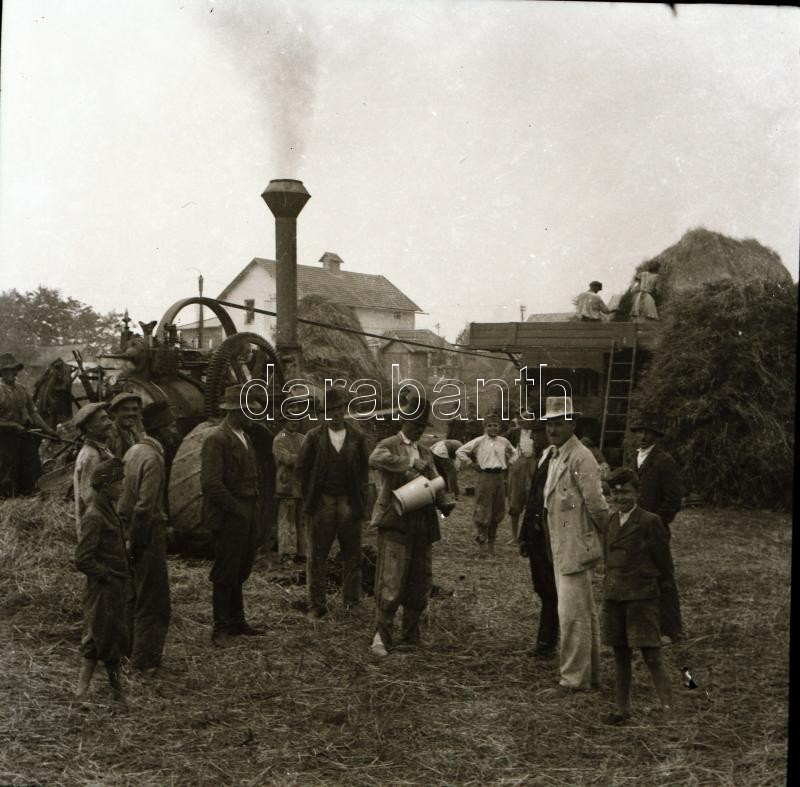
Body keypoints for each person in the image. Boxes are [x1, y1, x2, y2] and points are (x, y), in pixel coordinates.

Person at [369, 397, 454, 656]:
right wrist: (408, 464)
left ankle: (410, 634)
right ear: (404, 421)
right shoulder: (389, 445)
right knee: (391, 579)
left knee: (419, 579)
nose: (418, 430)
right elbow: (375, 458)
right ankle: (382, 636)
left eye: (422, 426)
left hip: (422, 523)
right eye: (415, 424)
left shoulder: (426, 452)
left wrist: (443, 501)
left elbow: (435, 480)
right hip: (395, 519)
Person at [542, 396, 609, 694]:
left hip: (576, 545)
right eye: (549, 424)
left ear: (573, 424)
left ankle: (573, 679)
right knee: (582, 611)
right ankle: (589, 674)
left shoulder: (581, 457)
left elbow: (596, 504)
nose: (552, 430)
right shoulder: (555, 455)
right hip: (561, 544)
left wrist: (608, 537)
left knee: (572, 615)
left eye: (559, 423)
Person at [602, 467, 674, 724]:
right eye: (615, 493)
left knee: (651, 655)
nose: (620, 498)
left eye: (625, 492)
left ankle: (668, 709)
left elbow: (664, 564)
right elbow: (608, 560)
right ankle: (622, 709)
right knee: (620, 654)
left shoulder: (649, 521)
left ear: (638, 493)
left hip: (642, 599)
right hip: (615, 598)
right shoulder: (610, 521)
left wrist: (661, 600)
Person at [295, 387, 370, 618]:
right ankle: (316, 604)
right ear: (324, 413)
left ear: (344, 410)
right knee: (317, 556)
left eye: (339, 409)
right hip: (322, 503)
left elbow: (364, 473)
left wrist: (360, 502)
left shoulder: (357, 437)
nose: (335, 414)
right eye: (330, 410)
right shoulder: (313, 437)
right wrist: (312, 499)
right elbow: (301, 471)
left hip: (349, 503)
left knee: (352, 555)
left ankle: (351, 602)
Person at [118, 400, 178, 673]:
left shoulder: (133, 451)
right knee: (154, 602)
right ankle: (145, 662)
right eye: (171, 426)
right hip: (147, 535)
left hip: (129, 530)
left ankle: (127, 652)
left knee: (133, 597)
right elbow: (144, 506)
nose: (174, 431)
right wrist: (138, 541)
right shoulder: (153, 458)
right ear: (161, 429)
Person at [201, 384, 262, 644]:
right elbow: (211, 484)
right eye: (248, 410)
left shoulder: (244, 436)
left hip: (246, 511)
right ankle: (220, 627)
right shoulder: (216, 439)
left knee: (241, 566)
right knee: (225, 571)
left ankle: (238, 621)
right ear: (235, 411)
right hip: (228, 514)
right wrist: (236, 509)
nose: (252, 415)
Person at [74, 458, 131, 702]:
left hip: (113, 586)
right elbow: (82, 559)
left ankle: (82, 693)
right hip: (103, 589)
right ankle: (116, 694)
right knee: (107, 638)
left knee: (101, 638)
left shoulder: (108, 511)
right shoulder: (95, 516)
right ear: (106, 487)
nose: (122, 487)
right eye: (119, 483)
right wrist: (105, 575)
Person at [630, 416, 683, 641]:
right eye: (640, 431)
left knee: (662, 577)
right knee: (637, 576)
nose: (643, 436)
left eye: (648, 432)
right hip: (634, 527)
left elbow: (673, 500)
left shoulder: (664, 461)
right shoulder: (633, 459)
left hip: (655, 529)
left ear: (656, 436)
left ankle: (671, 629)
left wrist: (657, 523)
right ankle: (643, 626)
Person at [519, 439, 558, 658]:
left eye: (537, 433)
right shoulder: (544, 456)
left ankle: (547, 643)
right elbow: (533, 499)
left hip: (550, 535)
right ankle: (545, 641)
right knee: (543, 589)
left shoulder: (560, 458)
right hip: (536, 536)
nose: (533, 439)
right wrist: (524, 535)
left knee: (551, 591)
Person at [456, 412, 515, 556]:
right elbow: (460, 451)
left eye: (495, 425)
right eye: (489, 425)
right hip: (485, 477)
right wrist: (471, 464)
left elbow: (515, 453)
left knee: (497, 510)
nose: (492, 428)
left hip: (499, 477)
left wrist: (509, 462)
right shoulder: (479, 441)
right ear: (485, 427)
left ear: (499, 427)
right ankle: (481, 546)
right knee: (482, 510)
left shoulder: (504, 441)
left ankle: (491, 545)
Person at [0, 352, 59, 497]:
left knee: (31, 463)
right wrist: (13, 425)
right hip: (4, 437)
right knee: (7, 468)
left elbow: (33, 413)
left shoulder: (21, 389)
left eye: (15, 370)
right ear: (2, 372)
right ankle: (7, 497)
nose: (14, 373)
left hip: (23, 434)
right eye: (10, 370)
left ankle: (28, 492)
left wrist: (49, 431)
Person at [73, 402, 115, 537]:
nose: (110, 423)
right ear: (89, 427)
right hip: (98, 530)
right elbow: (90, 498)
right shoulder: (92, 456)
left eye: (108, 418)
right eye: (103, 419)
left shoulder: (101, 449)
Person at [272, 401, 307, 562]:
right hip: (287, 486)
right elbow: (286, 459)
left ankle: (302, 553)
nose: (294, 422)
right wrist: (304, 458)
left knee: (301, 521)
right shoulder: (280, 439)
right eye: (291, 419)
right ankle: (286, 553)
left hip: (301, 486)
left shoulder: (302, 438)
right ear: (284, 421)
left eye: (297, 419)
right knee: (287, 520)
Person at [506, 417, 538, 542]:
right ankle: (514, 536)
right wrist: (509, 459)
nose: (524, 421)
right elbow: (501, 443)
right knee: (515, 501)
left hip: (533, 467)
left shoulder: (537, 433)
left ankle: (528, 536)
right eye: (522, 418)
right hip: (517, 468)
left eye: (528, 418)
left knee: (533, 501)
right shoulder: (514, 432)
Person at [107, 392, 144, 459]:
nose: (131, 413)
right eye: (125, 409)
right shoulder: (109, 436)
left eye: (134, 409)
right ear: (114, 412)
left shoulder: (134, 433)